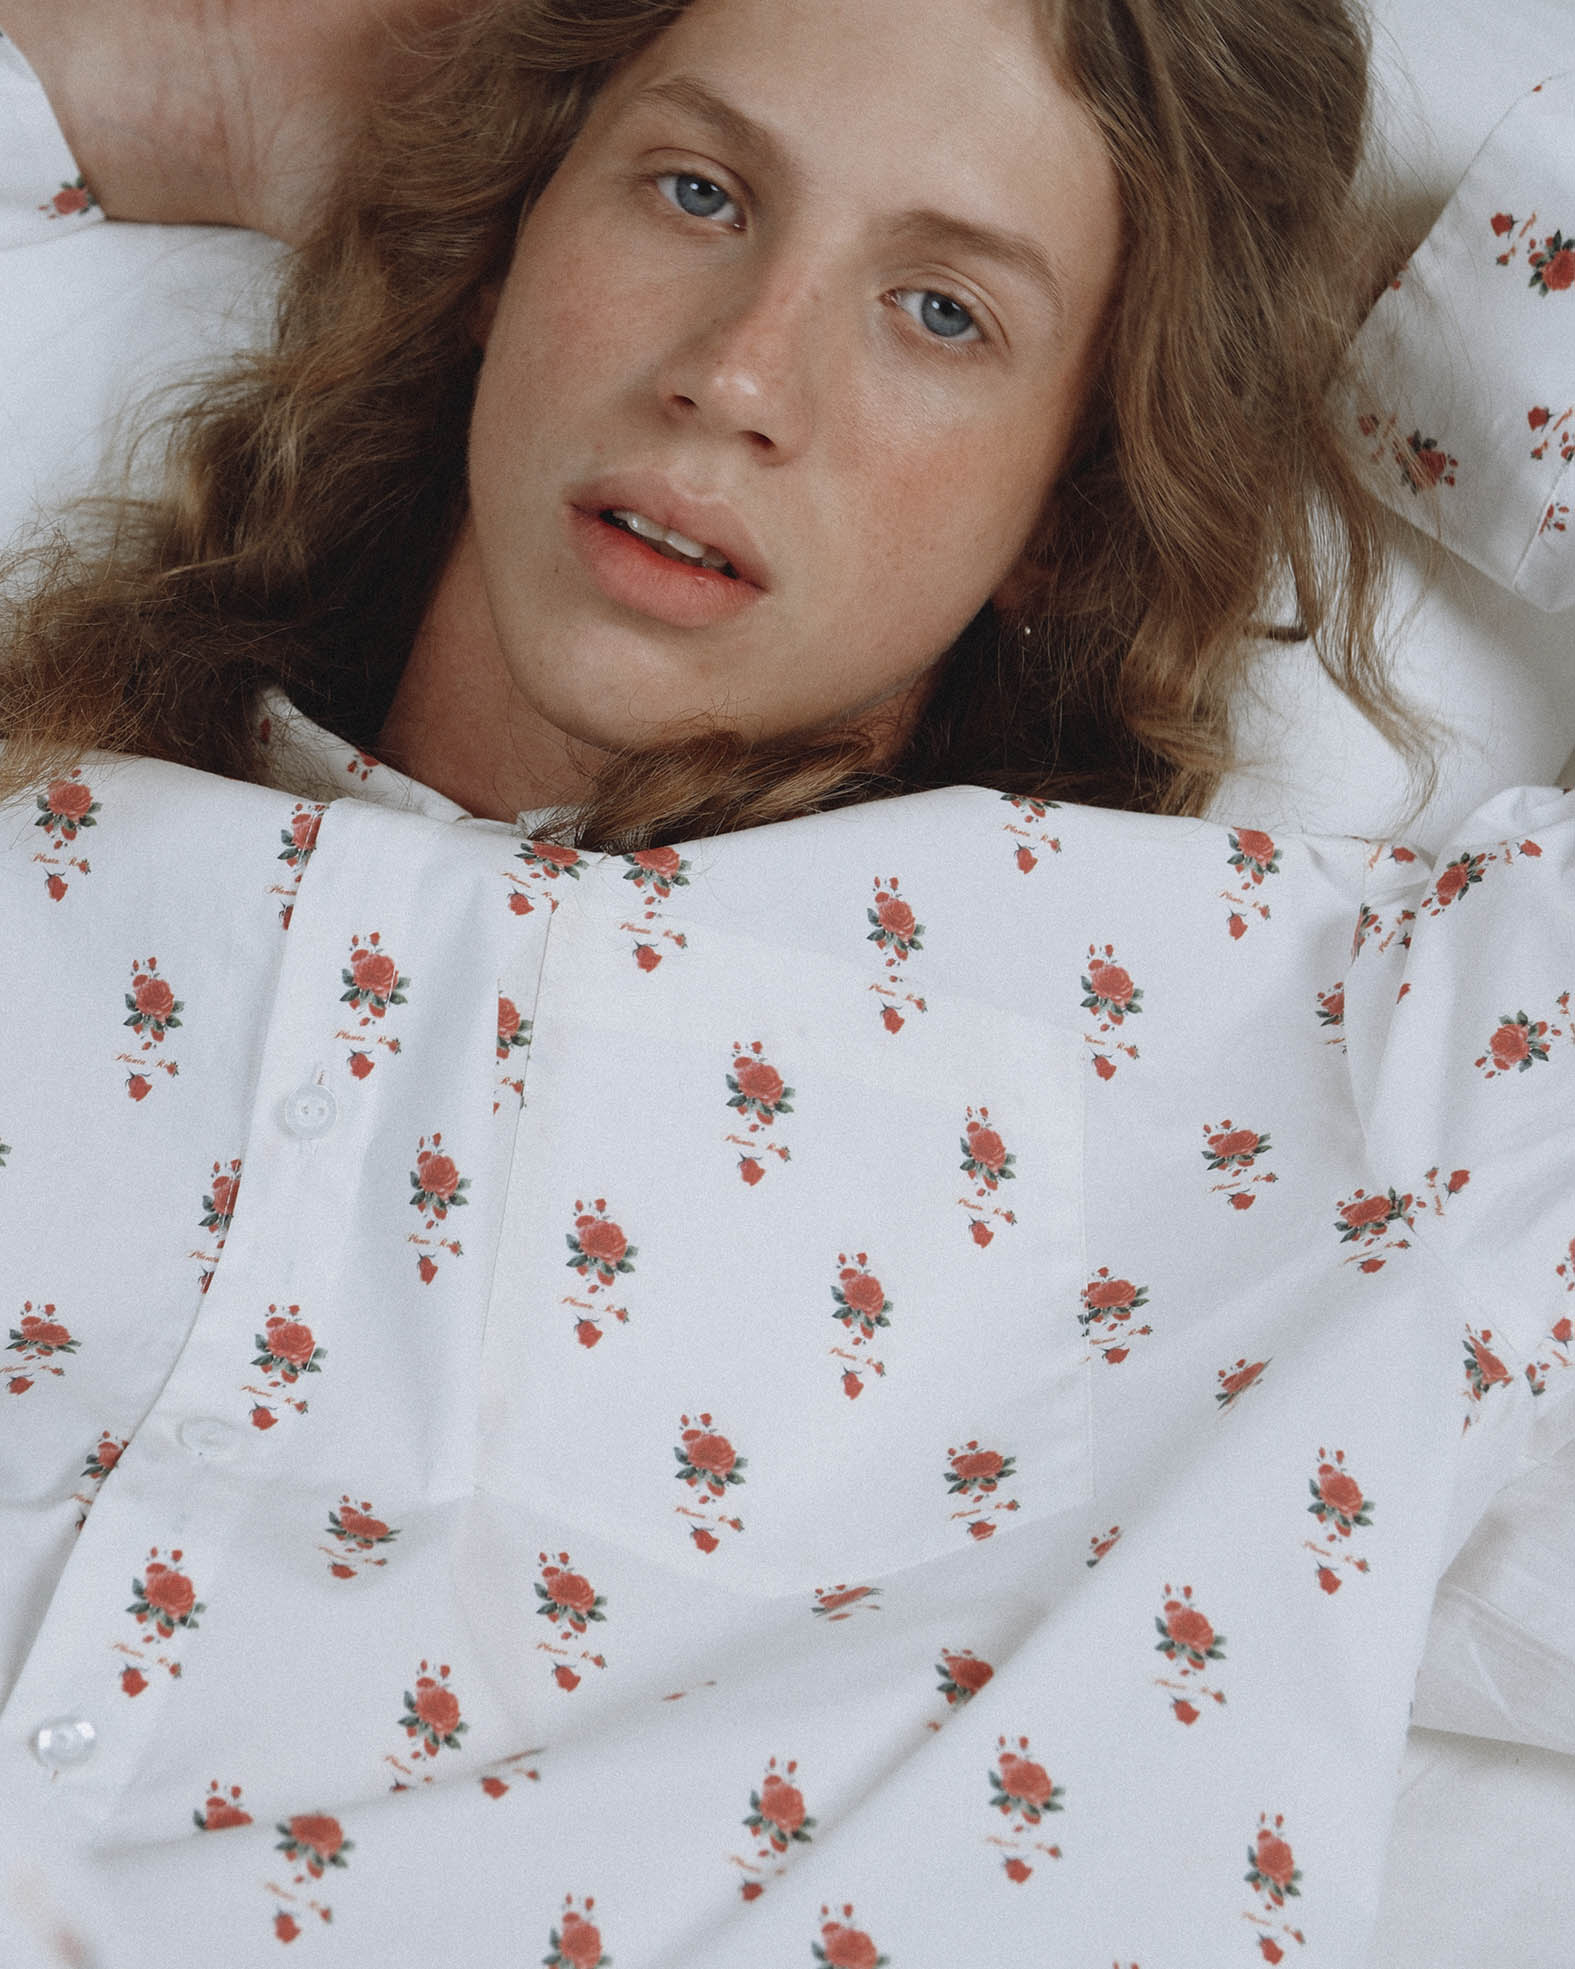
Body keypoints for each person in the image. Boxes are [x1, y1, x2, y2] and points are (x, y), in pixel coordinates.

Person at [0, 3, 1569, 1965]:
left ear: (1076, 500)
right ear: (503, 244)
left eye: (942, 313)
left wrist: (1414, 301)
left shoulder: (1321, 1085)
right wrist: (200, 92)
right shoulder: (51, 848)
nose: (735, 374)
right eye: (695, 192)